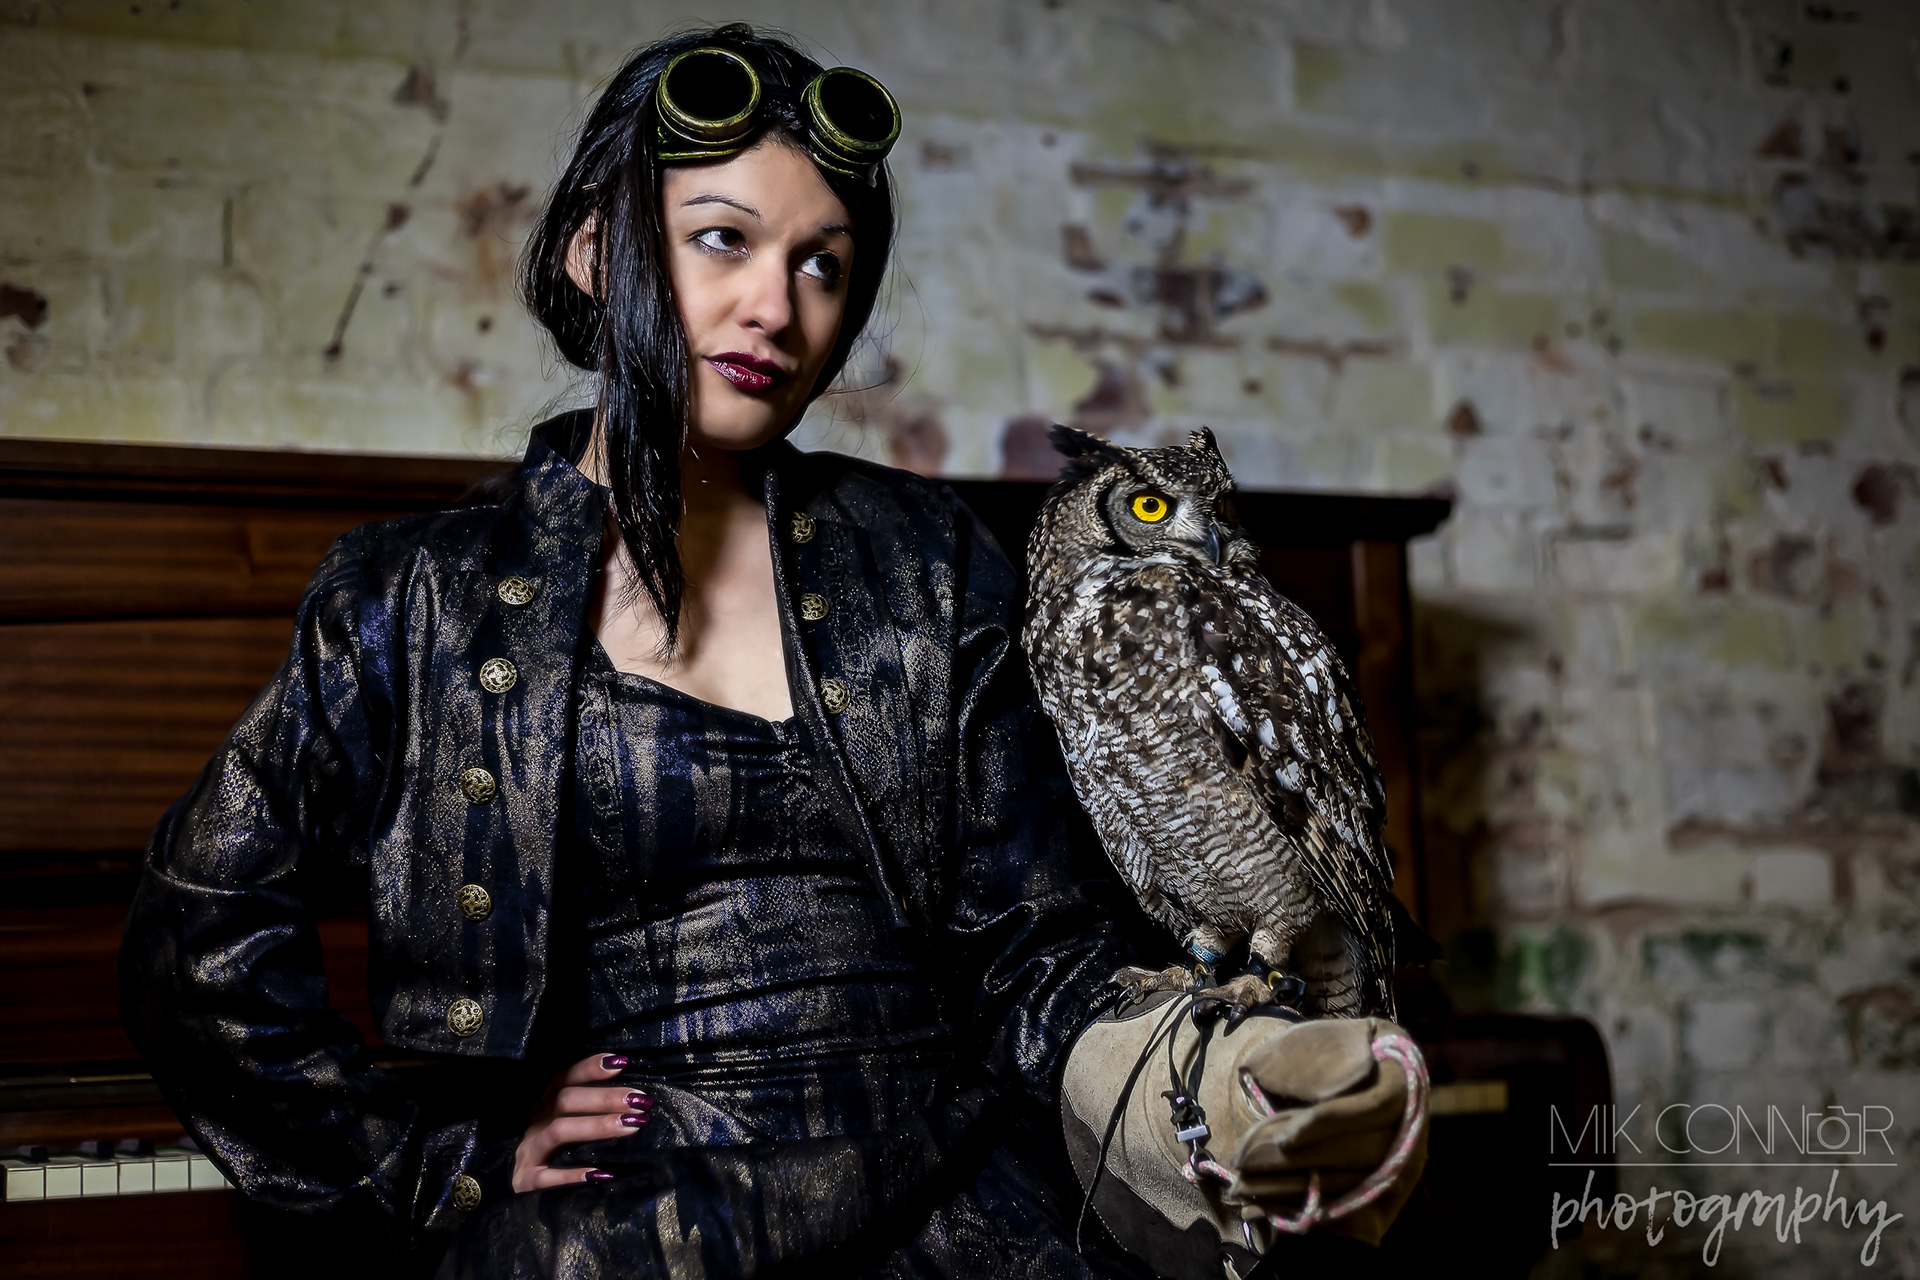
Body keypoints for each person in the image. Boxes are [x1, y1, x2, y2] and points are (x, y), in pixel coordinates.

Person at [120, 24, 1418, 1280]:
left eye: (822, 265)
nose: (775, 307)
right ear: (591, 251)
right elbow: (201, 934)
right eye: (723, 241)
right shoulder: (417, 599)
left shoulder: (928, 553)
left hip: (966, 1194)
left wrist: (1193, 1089)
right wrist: (432, 1165)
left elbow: (1037, 951)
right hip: (637, 1221)